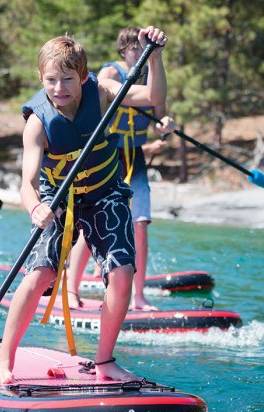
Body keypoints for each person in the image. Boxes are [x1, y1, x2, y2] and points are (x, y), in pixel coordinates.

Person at [0, 26, 170, 384]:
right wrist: (36, 207)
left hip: (105, 192)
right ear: (41, 78)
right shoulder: (37, 121)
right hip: (58, 199)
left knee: (122, 272)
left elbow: (151, 95)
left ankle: (104, 362)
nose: (59, 89)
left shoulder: (101, 92)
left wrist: (157, 58)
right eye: (51, 80)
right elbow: (26, 182)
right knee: (41, 274)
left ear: (83, 76)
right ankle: (3, 359)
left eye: (68, 80)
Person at [66, 27, 176, 311]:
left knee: (140, 224)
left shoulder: (152, 77)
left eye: (142, 49)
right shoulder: (111, 73)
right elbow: (94, 96)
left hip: (134, 156)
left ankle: (138, 297)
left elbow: (159, 114)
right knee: (94, 225)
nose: (139, 53)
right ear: (123, 51)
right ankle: (70, 289)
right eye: (134, 49)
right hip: (107, 154)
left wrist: (165, 127)